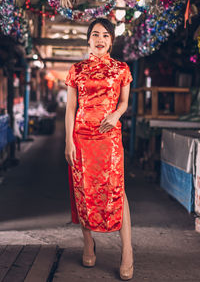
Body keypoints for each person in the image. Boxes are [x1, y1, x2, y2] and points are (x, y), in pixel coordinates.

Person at [65, 18, 134, 280]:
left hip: (109, 137)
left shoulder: (121, 69)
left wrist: (116, 114)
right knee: (83, 189)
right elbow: (71, 108)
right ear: (88, 39)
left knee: (117, 189)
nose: (100, 39)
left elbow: (125, 102)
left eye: (105, 35)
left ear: (111, 41)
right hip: (81, 137)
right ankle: (88, 243)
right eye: (95, 34)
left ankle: (127, 251)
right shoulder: (76, 70)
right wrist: (68, 141)